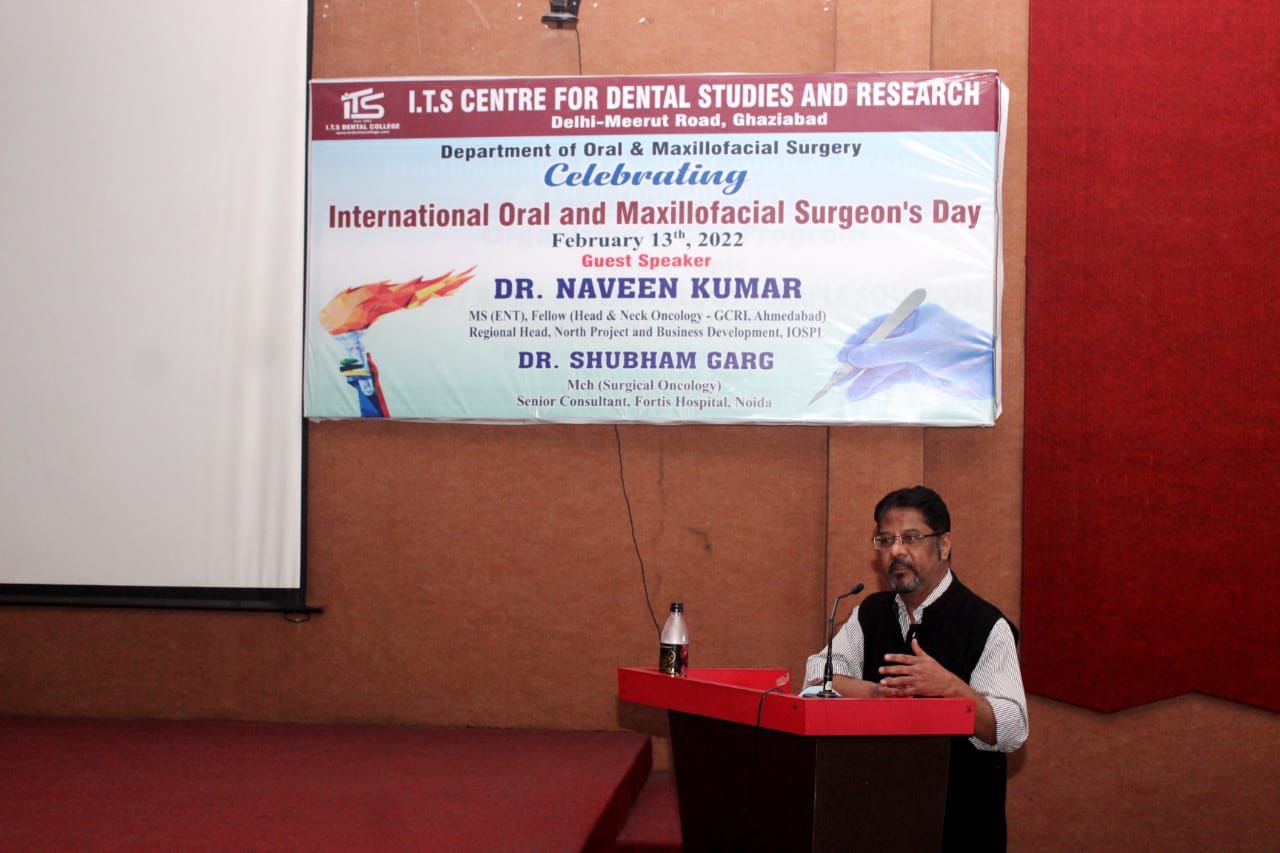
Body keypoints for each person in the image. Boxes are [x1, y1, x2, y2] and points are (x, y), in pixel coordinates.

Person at [803, 485, 1028, 851]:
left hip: (958, 828)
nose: (896, 551)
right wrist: (875, 694)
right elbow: (815, 679)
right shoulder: (870, 613)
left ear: (944, 545)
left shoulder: (985, 624)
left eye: (911, 538)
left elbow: (1012, 728)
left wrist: (952, 689)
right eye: (886, 540)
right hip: (875, 823)